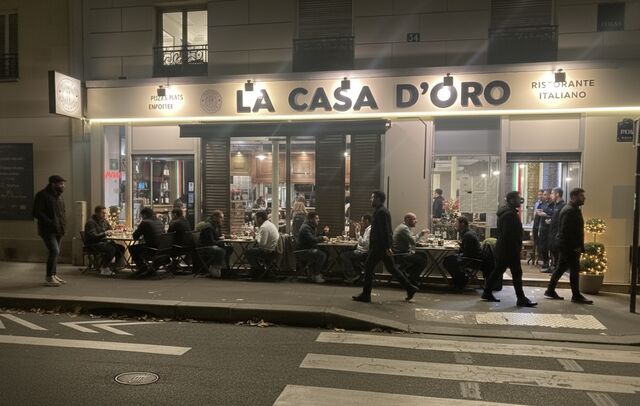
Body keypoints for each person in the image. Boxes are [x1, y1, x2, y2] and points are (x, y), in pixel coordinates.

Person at [353, 191, 419, 303]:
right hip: (381, 246)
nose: (370, 200)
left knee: (369, 267)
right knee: (391, 268)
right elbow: (386, 230)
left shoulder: (381, 212)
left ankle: (366, 295)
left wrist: (388, 247)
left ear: (378, 199)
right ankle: (410, 288)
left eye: (372, 197)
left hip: (379, 246)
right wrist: (388, 246)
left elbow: (386, 230)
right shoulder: (381, 211)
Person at [481, 191, 537, 307]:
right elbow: (509, 234)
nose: (520, 200)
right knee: (516, 273)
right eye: (518, 198)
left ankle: (487, 292)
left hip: (504, 248)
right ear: (511, 200)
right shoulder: (509, 215)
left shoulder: (507, 212)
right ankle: (521, 298)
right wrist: (515, 248)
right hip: (509, 249)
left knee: (498, 270)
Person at [545, 188, 593, 304]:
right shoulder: (570, 210)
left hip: (568, 246)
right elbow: (566, 231)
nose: (584, 198)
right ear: (574, 197)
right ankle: (575, 295)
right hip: (569, 247)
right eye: (581, 196)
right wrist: (575, 247)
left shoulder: (572, 209)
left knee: (562, 268)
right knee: (572, 270)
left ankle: (551, 290)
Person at [33, 175, 67, 287]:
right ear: (53, 184)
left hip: (59, 229)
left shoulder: (59, 196)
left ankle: (53, 275)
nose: (63, 186)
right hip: (47, 230)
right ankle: (49, 277)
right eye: (61, 184)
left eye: (63, 184)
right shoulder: (42, 195)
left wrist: (62, 225)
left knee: (56, 252)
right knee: (54, 251)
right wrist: (51, 222)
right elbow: (37, 212)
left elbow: (62, 213)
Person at [84, 205, 125, 276]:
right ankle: (104, 267)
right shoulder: (91, 222)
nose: (104, 214)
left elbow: (110, 229)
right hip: (93, 244)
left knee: (121, 248)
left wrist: (116, 230)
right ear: (97, 213)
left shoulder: (104, 221)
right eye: (103, 213)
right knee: (111, 249)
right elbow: (93, 236)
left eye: (105, 213)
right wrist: (105, 233)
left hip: (103, 242)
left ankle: (114, 267)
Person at [443, 217, 482, 289]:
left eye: (456, 223)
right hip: (474, 258)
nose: (454, 225)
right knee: (449, 259)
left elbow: (468, 253)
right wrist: (460, 246)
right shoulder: (469, 232)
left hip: (472, 260)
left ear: (462, 224)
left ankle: (460, 282)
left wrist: (458, 253)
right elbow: (468, 249)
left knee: (447, 261)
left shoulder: (468, 235)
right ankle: (461, 280)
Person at [393, 212, 429, 285]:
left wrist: (419, 242)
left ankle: (408, 274)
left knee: (423, 255)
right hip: (400, 255)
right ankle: (412, 279)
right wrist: (421, 233)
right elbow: (413, 241)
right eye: (414, 219)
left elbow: (411, 240)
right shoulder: (404, 229)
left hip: (402, 252)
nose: (416, 221)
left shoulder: (404, 227)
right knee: (422, 260)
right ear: (407, 219)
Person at [129, 207, 165, 278]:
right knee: (138, 247)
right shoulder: (159, 221)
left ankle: (142, 267)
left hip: (152, 249)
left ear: (144, 215)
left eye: (141, 216)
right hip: (161, 248)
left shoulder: (145, 222)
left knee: (132, 248)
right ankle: (149, 268)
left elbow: (135, 236)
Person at [296, 211, 329, 283]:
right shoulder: (305, 228)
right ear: (311, 219)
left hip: (308, 248)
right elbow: (312, 240)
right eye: (316, 218)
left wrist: (323, 233)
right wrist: (322, 238)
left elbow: (316, 237)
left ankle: (316, 273)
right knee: (321, 255)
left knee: (326, 252)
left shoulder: (311, 226)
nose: (318, 220)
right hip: (303, 251)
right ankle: (316, 275)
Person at [245, 211, 280, 276]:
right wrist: (257, 236)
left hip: (267, 251)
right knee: (252, 250)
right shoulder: (269, 224)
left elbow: (262, 244)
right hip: (273, 250)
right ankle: (258, 269)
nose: (255, 221)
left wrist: (256, 238)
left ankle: (257, 270)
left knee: (248, 252)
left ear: (260, 219)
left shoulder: (264, 227)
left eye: (255, 219)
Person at [197, 210, 230, 277]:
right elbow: (211, 242)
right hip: (205, 247)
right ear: (215, 217)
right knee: (220, 251)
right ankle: (215, 269)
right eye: (221, 217)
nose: (222, 219)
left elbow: (219, 236)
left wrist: (228, 237)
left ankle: (225, 269)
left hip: (212, 245)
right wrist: (222, 241)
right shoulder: (208, 227)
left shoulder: (216, 225)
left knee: (229, 248)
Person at [340, 215, 371, 283]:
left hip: (363, 253)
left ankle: (352, 275)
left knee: (344, 255)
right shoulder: (368, 229)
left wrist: (358, 232)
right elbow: (361, 242)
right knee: (344, 251)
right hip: (362, 250)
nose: (361, 222)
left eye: (362, 220)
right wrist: (357, 232)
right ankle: (357, 274)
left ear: (367, 221)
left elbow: (364, 243)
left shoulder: (370, 230)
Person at [547, 187, 566, 272]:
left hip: (558, 234)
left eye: (552, 193)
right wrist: (551, 221)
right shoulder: (555, 205)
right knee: (553, 250)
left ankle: (557, 269)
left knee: (557, 252)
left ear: (557, 194)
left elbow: (562, 220)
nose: (550, 195)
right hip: (552, 232)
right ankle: (554, 267)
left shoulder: (563, 206)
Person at [536, 188, 554, 272]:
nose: (543, 196)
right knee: (543, 247)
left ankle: (552, 265)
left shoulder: (554, 205)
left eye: (545, 194)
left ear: (550, 195)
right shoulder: (543, 204)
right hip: (543, 228)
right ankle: (545, 263)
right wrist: (538, 212)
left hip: (551, 229)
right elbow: (539, 214)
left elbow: (555, 216)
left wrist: (546, 215)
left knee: (551, 247)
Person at [531, 189, 544, 263]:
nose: (539, 196)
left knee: (540, 242)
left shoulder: (545, 204)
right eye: (539, 195)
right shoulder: (536, 204)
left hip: (541, 224)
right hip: (535, 224)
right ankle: (535, 257)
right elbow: (534, 213)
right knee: (535, 241)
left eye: (541, 195)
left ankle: (540, 256)